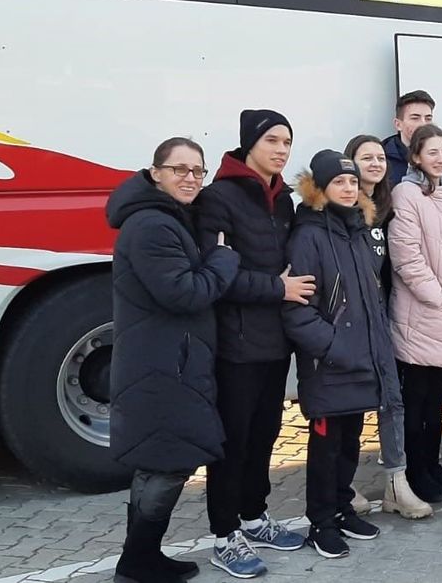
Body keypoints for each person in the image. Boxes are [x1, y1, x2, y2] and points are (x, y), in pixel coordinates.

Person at [106, 138, 240, 583]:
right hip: (161, 365)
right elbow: (185, 293)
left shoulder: (166, 218)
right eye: (179, 169)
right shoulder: (151, 226)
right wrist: (223, 259)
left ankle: (141, 555)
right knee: (168, 460)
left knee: (162, 458)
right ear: (155, 172)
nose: (190, 178)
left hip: (167, 360)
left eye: (198, 171)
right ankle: (138, 559)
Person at [194, 110, 309, 577]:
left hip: (275, 341)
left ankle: (254, 516)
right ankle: (224, 536)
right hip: (237, 344)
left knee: (265, 434)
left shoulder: (283, 200)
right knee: (232, 441)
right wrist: (276, 288)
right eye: (273, 140)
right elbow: (215, 273)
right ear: (250, 143)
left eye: (287, 142)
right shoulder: (219, 198)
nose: (282, 150)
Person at [282, 150, 396, 559]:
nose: (349, 189)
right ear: (320, 189)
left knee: (350, 443)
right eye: (339, 183)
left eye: (352, 182)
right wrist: (334, 347)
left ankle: (342, 508)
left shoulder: (357, 231)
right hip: (329, 365)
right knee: (326, 449)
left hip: (361, 360)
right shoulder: (308, 234)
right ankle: (321, 522)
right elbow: (298, 311)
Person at [340, 135, 433, 519]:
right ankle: (340, 485)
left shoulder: (389, 208)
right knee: (349, 408)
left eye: (380, 157)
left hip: (385, 321)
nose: (376, 163)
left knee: (392, 403)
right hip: (349, 326)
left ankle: (397, 484)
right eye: (366, 158)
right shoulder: (338, 210)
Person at [388, 123, 442, 503]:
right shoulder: (405, 193)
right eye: (432, 152)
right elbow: (406, 255)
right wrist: (437, 296)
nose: (440, 158)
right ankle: (413, 470)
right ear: (416, 156)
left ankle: (432, 464)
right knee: (415, 399)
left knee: (437, 398)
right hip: (420, 313)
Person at [383, 90, 442, 188]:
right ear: (398, 124)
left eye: (428, 119)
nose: (423, 124)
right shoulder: (383, 161)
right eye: (415, 118)